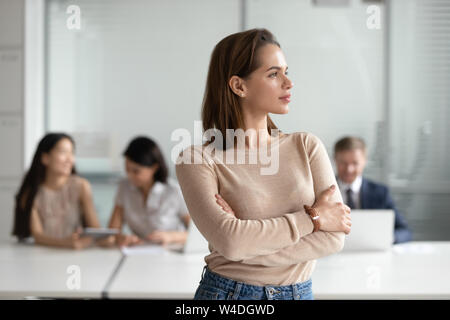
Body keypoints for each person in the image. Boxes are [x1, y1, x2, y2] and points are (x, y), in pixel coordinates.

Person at [175, 28, 352, 300]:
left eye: (286, 71)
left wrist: (247, 243)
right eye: (273, 74)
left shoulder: (306, 146)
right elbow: (232, 242)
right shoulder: (197, 160)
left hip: (300, 293)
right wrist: (314, 218)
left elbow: (333, 238)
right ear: (239, 86)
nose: (288, 82)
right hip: (229, 296)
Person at [12, 133, 101, 249]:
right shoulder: (32, 192)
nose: (70, 159)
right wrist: (65, 243)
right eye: (63, 152)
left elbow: (96, 230)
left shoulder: (81, 186)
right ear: (45, 158)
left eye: (72, 153)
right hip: (42, 255)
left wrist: (84, 240)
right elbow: (38, 236)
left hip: (77, 257)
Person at [104, 136, 190, 247]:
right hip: (138, 252)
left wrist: (170, 236)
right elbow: (112, 232)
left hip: (171, 252)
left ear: (154, 168)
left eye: (136, 171)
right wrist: (122, 238)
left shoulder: (173, 191)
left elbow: (196, 234)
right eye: (127, 169)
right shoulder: (124, 187)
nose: (130, 175)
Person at [334, 136, 412, 244]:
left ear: (364, 162)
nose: (349, 169)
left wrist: (387, 238)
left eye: (355, 163)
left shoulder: (380, 193)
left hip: (371, 254)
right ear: (335, 160)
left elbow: (404, 231)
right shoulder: (321, 192)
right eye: (343, 163)